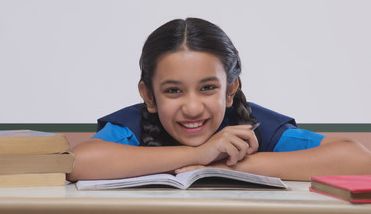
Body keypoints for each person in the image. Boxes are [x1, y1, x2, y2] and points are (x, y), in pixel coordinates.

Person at [67, 18, 371, 181]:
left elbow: (358, 159)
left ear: (230, 91)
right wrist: (198, 155)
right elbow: (78, 163)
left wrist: (226, 167)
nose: (192, 107)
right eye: (173, 90)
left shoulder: (253, 127)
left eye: (208, 88)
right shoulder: (133, 126)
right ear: (149, 95)